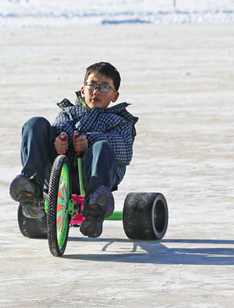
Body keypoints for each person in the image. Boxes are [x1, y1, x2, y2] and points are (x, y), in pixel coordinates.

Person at [9, 62, 138, 238]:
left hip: (94, 176)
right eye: (92, 85)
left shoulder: (120, 122)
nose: (96, 91)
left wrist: (90, 141)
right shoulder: (68, 112)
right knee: (35, 124)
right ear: (83, 90)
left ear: (114, 96)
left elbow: (125, 152)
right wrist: (60, 141)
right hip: (60, 176)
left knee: (101, 146)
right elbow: (60, 127)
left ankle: (95, 206)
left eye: (104, 87)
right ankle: (32, 186)